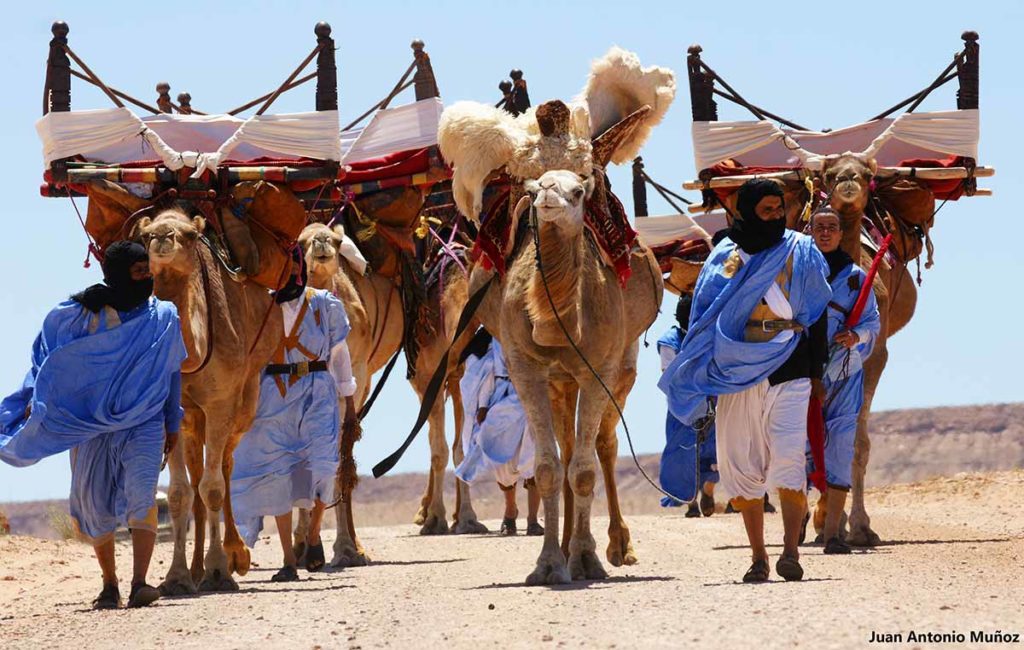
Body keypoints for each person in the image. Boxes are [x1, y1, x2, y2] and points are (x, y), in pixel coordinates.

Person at [658, 179, 831, 583]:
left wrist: (817, 370)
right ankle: (758, 557)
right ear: (749, 211)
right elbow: (703, 315)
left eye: (778, 209)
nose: (774, 217)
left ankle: (790, 552)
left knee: (789, 459)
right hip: (734, 374)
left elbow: (817, 313)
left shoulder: (801, 251)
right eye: (766, 210)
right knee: (739, 465)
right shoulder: (724, 255)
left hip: (791, 367)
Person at [0, 241, 185, 609]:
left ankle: (139, 583)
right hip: (89, 427)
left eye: (147, 270)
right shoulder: (78, 316)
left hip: (145, 420)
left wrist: (172, 419)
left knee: (142, 492)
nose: (146, 277)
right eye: (137, 272)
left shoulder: (164, 316)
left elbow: (171, 371)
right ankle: (109, 584)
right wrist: (34, 402)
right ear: (116, 274)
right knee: (95, 504)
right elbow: (51, 362)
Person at [230, 251, 357, 581]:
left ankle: (313, 533)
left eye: (293, 265)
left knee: (323, 466)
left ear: (300, 267)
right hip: (272, 394)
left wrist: (351, 404)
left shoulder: (325, 304)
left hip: (317, 391)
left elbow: (340, 355)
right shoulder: (261, 306)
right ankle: (288, 559)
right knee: (277, 474)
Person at [806, 207, 880, 554]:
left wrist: (857, 336)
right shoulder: (795, 273)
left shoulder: (856, 276)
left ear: (840, 233)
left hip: (845, 372)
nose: (826, 233)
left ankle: (834, 533)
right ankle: (800, 523)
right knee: (799, 447)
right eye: (819, 227)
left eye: (832, 228)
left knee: (840, 444)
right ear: (810, 231)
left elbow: (872, 325)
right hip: (802, 372)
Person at [454, 328, 542, 536]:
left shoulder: (535, 329)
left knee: (534, 456)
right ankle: (510, 513)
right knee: (502, 460)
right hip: (501, 398)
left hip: (531, 395)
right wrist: (483, 406)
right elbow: (487, 369)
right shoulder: (496, 335)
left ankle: (532, 520)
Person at [657, 295, 718, 517]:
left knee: (711, 450)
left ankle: (707, 491)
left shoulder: (705, 337)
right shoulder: (671, 340)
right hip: (683, 408)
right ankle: (692, 501)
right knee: (684, 453)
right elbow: (669, 376)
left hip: (707, 403)